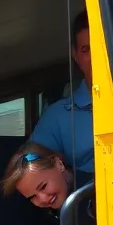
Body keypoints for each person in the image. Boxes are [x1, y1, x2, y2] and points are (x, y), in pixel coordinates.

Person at [29, 10, 94, 173]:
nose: (95, 57)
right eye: (86, 49)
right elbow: (32, 172)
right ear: (75, 55)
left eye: (102, 46)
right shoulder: (56, 117)